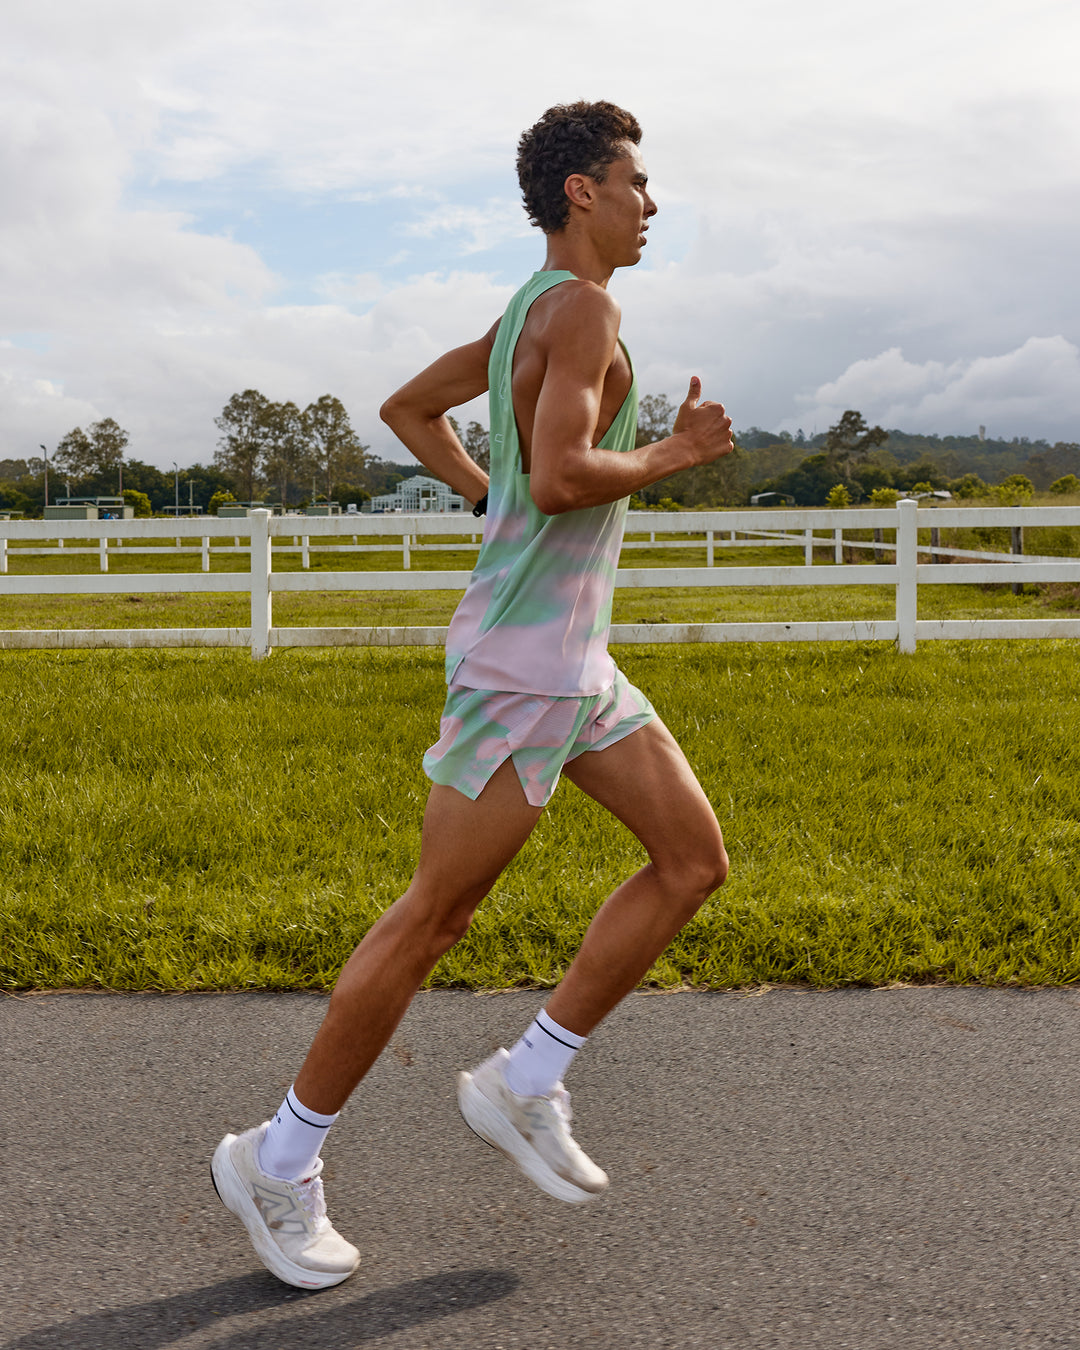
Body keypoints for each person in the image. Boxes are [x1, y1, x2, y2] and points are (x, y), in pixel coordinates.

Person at [211, 99, 735, 1290]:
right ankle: (276, 1159)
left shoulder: (524, 318)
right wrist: (671, 456)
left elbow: (411, 410)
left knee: (691, 861)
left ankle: (527, 1079)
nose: (653, 204)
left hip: (575, 667)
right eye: (637, 182)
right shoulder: (583, 306)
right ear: (580, 194)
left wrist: (482, 491)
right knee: (431, 919)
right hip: (518, 672)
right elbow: (558, 479)